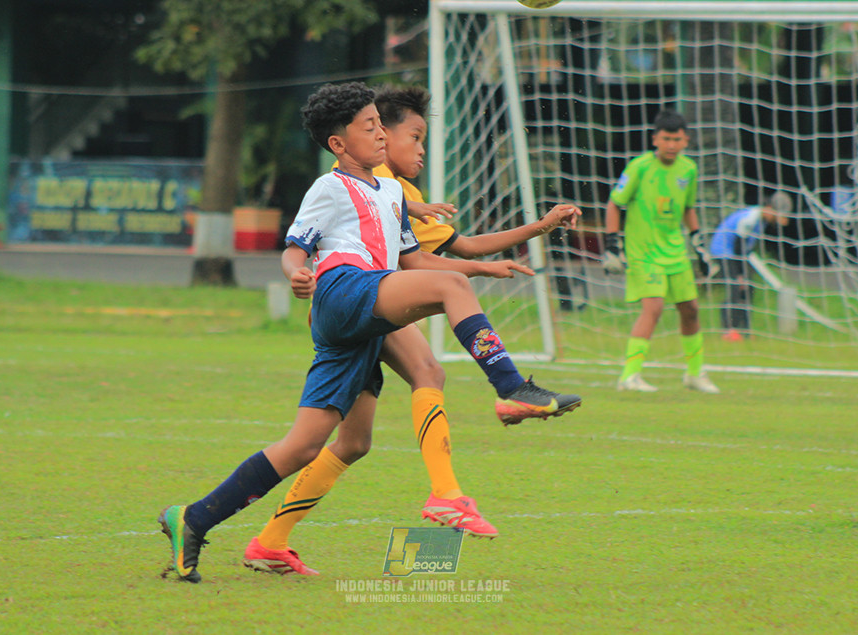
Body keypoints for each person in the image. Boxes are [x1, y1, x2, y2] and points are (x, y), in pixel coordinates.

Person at [158, 82, 581, 582]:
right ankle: (511, 389)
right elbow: (298, 244)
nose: (381, 133)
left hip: (365, 309)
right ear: (339, 144)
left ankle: (198, 519)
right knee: (447, 290)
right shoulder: (329, 187)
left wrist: (488, 267)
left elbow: (412, 260)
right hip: (343, 290)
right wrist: (295, 271)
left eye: (382, 124)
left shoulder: (392, 193)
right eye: (369, 126)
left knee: (326, 442)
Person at [602, 110, 719, 394]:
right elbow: (614, 203)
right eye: (665, 138)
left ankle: (695, 374)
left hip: (676, 251)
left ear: (686, 140)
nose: (670, 144)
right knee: (653, 308)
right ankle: (629, 376)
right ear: (655, 138)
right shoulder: (639, 167)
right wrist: (611, 245)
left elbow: (688, 208)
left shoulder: (688, 169)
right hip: (643, 252)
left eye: (676, 139)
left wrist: (699, 244)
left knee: (690, 309)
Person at [710, 191, 792, 341]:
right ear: (768, 207)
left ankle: (745, 330)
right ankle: (729, 330)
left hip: (738, 254)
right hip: (724, 252)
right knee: (735, 287)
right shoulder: (751, 218)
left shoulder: (762, 221)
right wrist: (740, 274)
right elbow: (738, 245)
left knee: (749, 289)